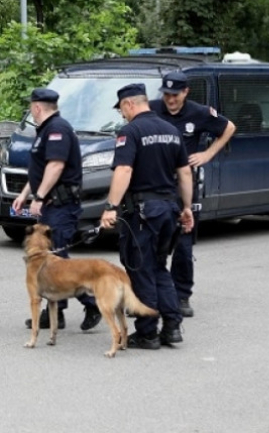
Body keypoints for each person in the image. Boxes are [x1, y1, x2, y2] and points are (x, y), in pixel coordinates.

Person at [100, 83, 194, 349]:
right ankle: (172, 327)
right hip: (169, 210)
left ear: (129, 104)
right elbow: (185, 173)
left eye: (122, 110)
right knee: (159, 267)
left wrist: (111, 207)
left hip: (143, 214)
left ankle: (148, 333)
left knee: (140, 270)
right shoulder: (171, 130)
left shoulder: (130, 132)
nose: (122, 115)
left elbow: (124, 170)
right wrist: (186, 208)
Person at [12, 88, 102, 331]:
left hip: (61, 206)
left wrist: (39, 197)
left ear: (37, 108)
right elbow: (40, 170)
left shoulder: (57, 130)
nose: (31, 110)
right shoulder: (45, 131)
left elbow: (55, 166)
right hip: (52, 205)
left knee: (56, 261)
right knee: (51, 261)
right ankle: (57, 313)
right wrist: (24, 195)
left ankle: (90, 302)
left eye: (31, 106)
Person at [149, 71, 235, 318]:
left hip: (185, 190)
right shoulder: (153, 109)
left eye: (175, 95)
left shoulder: (198, 113)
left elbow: (229, 128)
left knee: (184, 247)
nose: (170, 100)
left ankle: (182, 295)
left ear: (185, 92)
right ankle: (153, 293)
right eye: (166, 94)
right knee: (155, 244)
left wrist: (208, 154)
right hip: (158, 188)